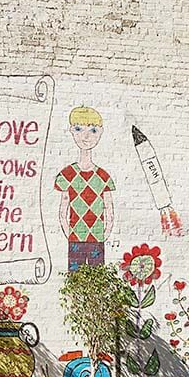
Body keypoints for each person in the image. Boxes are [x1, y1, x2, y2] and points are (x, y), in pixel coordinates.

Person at [54, 105, 116, 271]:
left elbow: (109, 210)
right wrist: (70, 234)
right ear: (72, 131)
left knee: (98, 279)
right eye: (79, 129)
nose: (86, 136)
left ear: (100, 132)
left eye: (93, 130)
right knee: (75, 279)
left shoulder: (103, 177)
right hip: (75, 239)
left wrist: (105, 233)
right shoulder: (67, 175)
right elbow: (63, 211)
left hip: (97, 239)